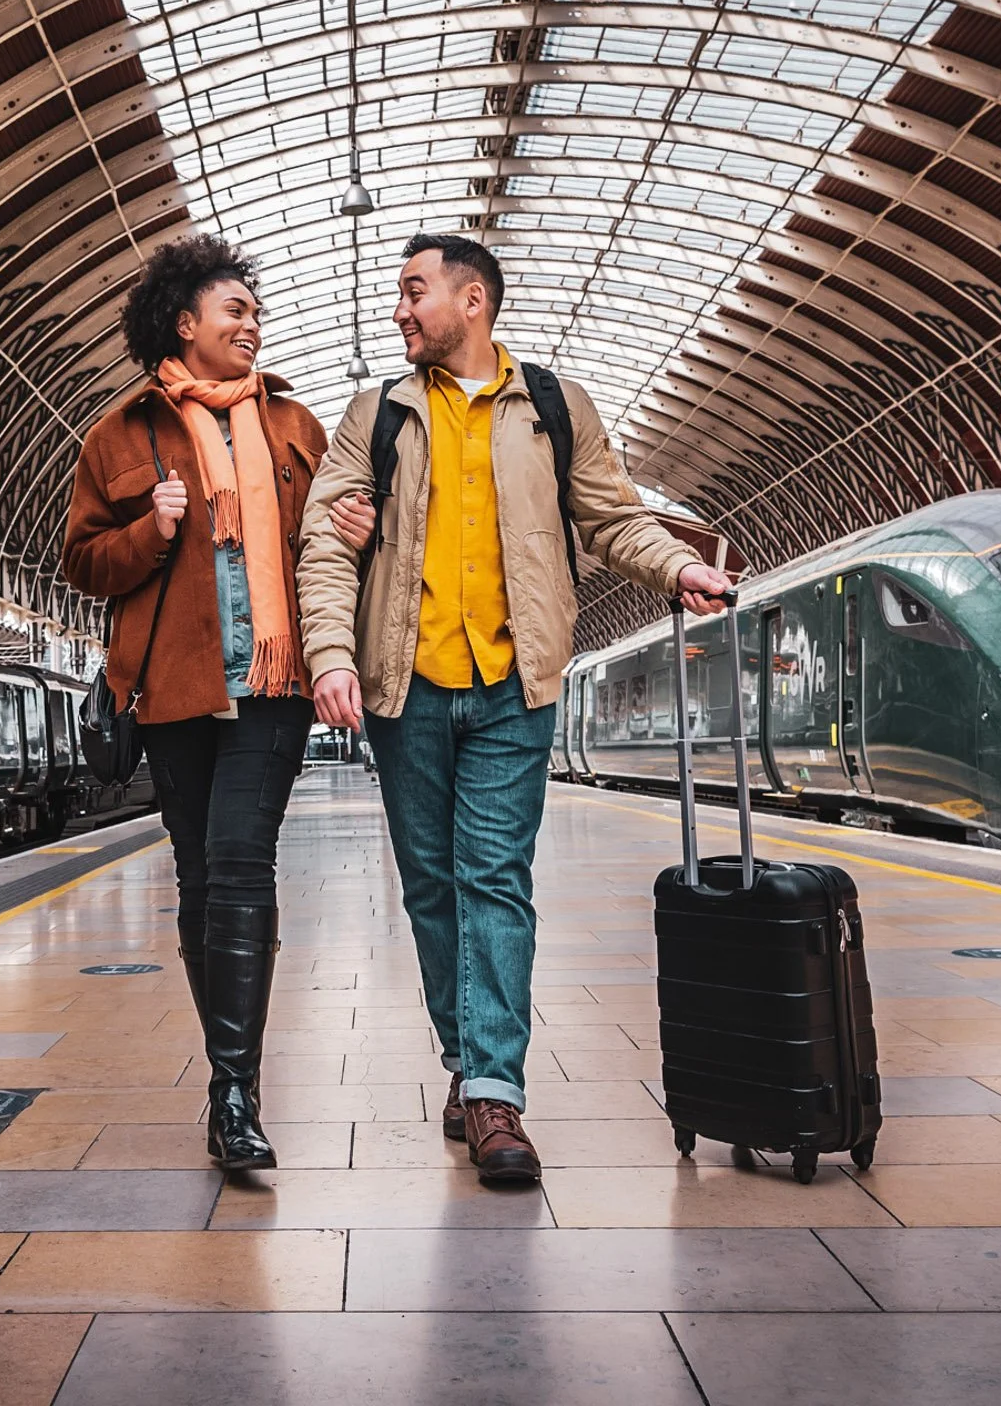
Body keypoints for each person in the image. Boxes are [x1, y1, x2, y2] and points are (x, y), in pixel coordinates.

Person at [298, 232, 729, 1184]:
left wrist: (680, 565)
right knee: (432, 889)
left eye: (415, 292)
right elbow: (326, 547)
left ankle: (496, 1091)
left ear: (473, 301)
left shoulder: (553, 409)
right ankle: (466, 1058)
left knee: (495, 881)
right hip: (405, 690)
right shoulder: (376, 416)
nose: (401, 310)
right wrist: (331, 656)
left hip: (514, 689)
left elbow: (611, 518)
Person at [62, 233, 326, 1171]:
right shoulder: (120, 434)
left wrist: (355, 536)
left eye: (255, 312)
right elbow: (83, 560)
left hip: (271, 684)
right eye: (235, 311)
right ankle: (233, 1082)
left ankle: (233, 1091)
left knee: (239, 861)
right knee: (200, 878)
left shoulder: (296, 426)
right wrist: (152, 526)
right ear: (185, 324)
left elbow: (329, 554)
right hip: (171, 688)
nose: (253, 325)